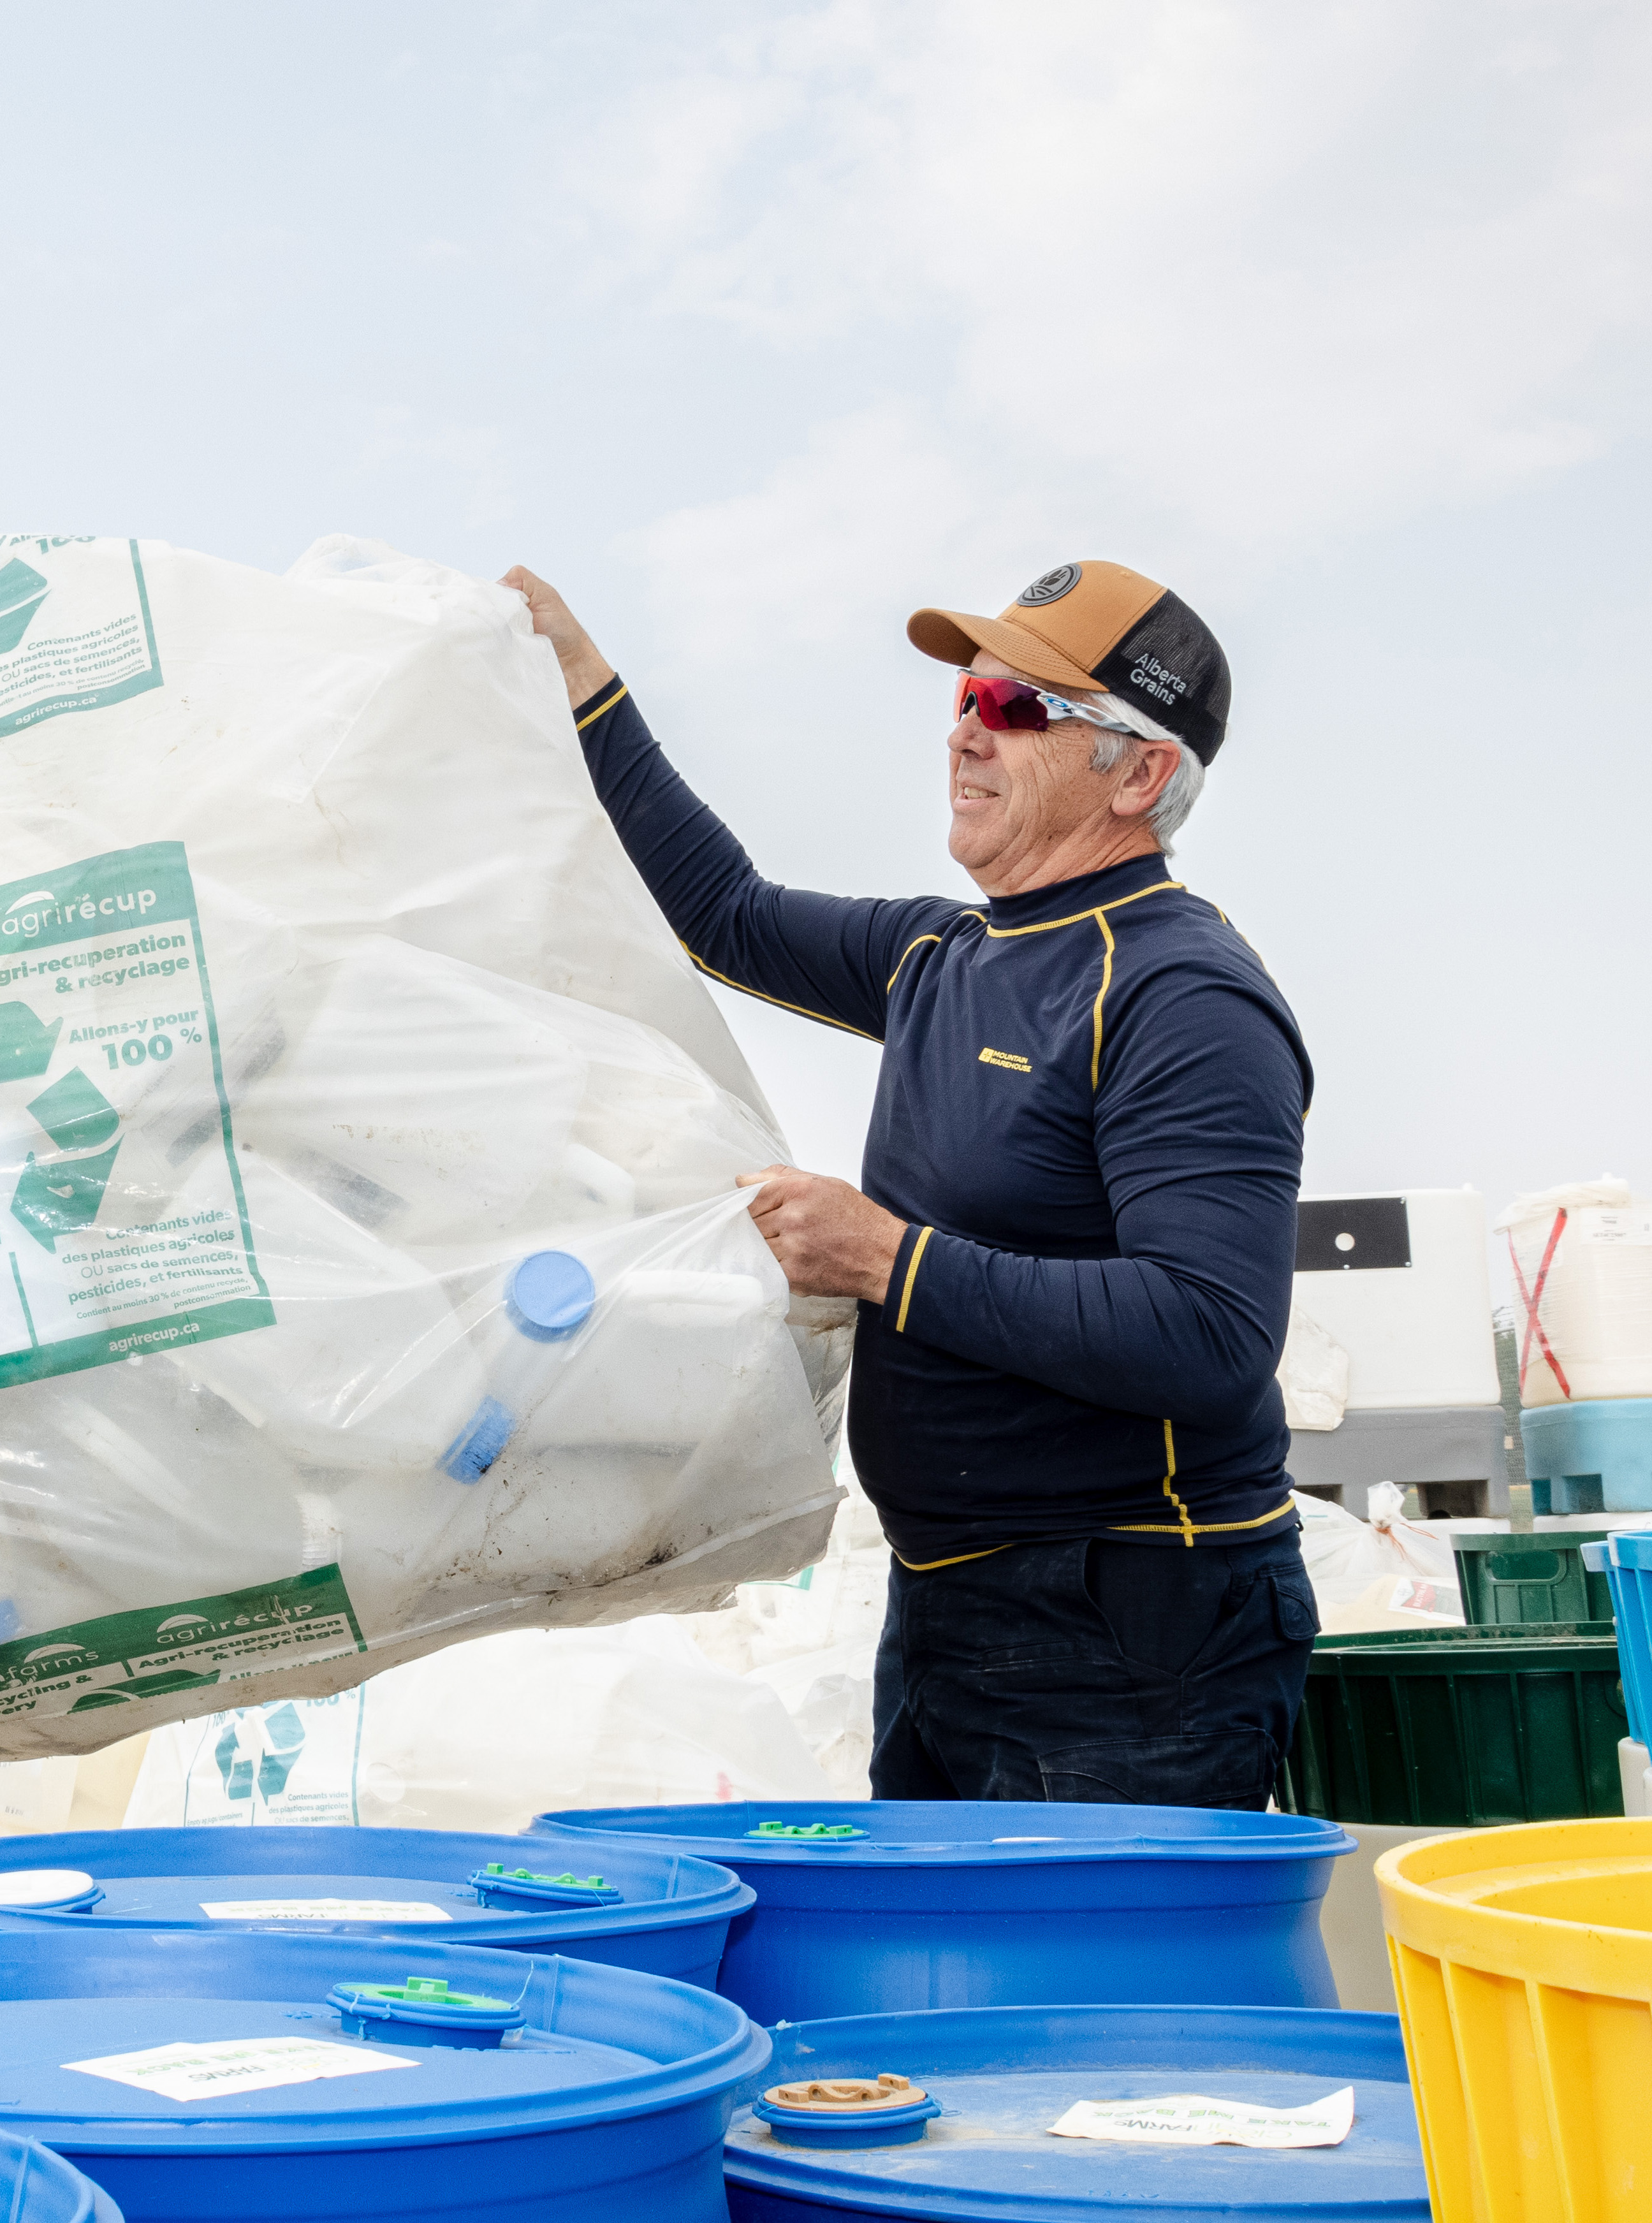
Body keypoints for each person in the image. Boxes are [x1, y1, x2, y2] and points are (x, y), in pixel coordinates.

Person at [504, 557, 1317, 1807]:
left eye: (1018, 710)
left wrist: (885, 1258)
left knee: (1082, 2003)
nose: (965, 733)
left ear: (1141, 773)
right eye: (965, 694)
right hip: (947, 1603)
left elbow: (1207, 1334)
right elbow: (723, 912)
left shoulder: (1180, 995)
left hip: (1133, 1623)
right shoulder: (941, 953)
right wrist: (585, 685)